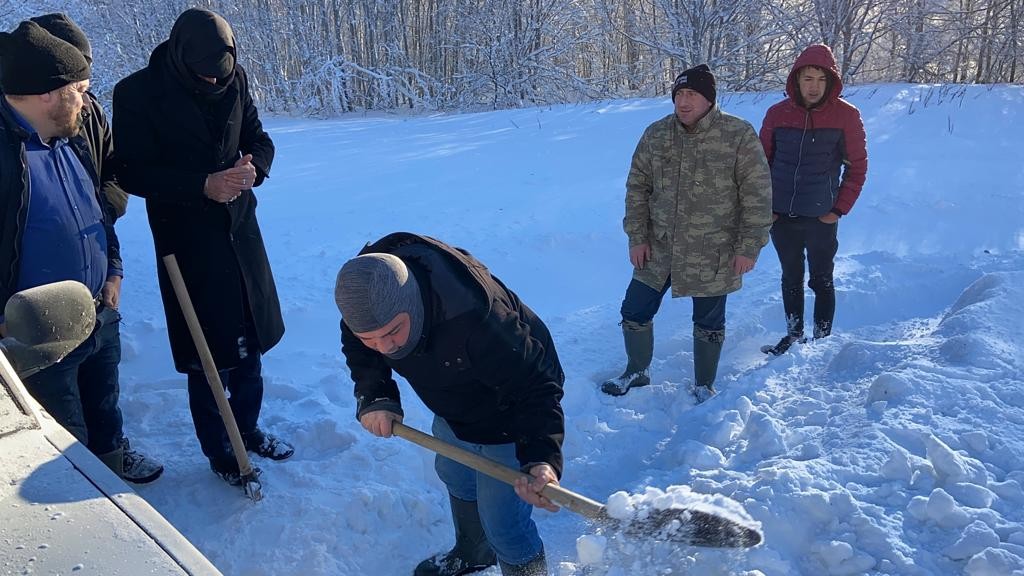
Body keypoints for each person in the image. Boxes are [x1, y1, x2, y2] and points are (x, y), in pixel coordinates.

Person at [112, 8, 293, 486]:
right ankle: (222, 451)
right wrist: (201, 184)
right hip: (186, 240)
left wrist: (257, 168)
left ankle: (247, 429)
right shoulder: (137, 94)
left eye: (223, 72)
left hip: (239, 229)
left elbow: (258, 137)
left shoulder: (235, 79)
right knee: (207, 351)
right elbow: (129, 171)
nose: (216, 80)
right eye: (206, 74)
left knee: (249, 337)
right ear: (180, 58)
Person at [335, 232, 564, 576]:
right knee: (455, 473)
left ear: (412, 303)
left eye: (394, 332)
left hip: (511, 412)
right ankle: (474, 550)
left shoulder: (476, 317)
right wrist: (375, 395)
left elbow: (535, 386)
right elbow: (361, 348)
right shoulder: (367, 302)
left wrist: (541, 458)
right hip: (453, 402)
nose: (384, 347)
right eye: (371, 338)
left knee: (503, 523)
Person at [0, 20, 162, 483]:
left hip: (98, 312)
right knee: (65, 444)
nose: (88, 101)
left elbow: (98, 213)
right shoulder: (6, 154)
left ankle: (112, 474)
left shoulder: (71, 140)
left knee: (105, 410)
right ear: (49, 93)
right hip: (38, 337)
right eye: (81, 89)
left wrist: (113, 269)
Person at [601, 64, 772, 402]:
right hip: (659, 247)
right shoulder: (657, 134)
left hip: (712, 250)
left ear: (709, 98)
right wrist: (637, 236)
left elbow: (758, 195)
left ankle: (704, 384)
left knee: (708, 321)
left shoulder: (737, 135)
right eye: (679, 94)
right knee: (634, 309)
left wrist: (749, 247)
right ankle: (636, 371)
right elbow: (637, 188)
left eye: (692, 94)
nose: (683, 101)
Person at [758, 44, 868, 356]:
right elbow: (759, 164)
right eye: (808, 78)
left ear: (830, 81)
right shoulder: (777, 114)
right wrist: (767, 207)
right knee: (791, 277)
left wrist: (838, 209)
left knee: (821, 279)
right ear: (796, 80)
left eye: (821, 79)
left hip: (822, 216)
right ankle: (793, 336)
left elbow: (857, 167)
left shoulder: (846, 116)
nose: (814, 86)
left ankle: (822, 342)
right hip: (782, 217)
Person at [29, 13, 128, 223]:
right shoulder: (13, 122)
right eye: (74, 82)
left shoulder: (92, 112)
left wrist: (103, 210)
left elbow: (116, 172)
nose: (83, 98)